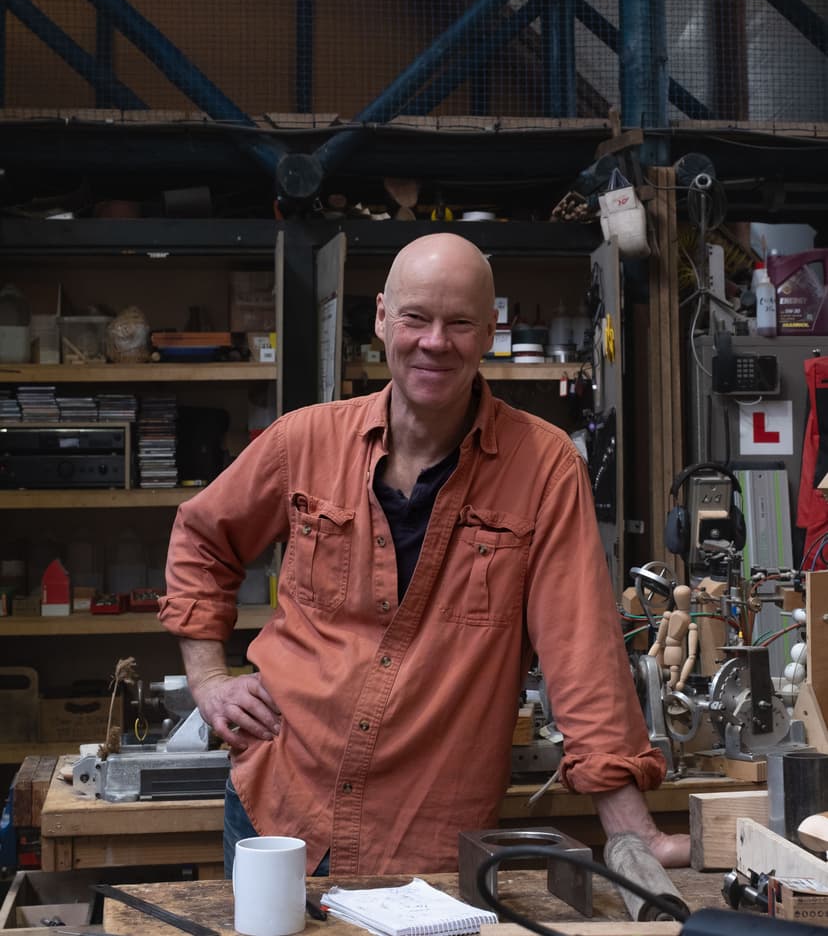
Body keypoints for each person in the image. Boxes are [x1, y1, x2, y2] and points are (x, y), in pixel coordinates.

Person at [158, 232, 690, 877]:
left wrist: (634, 834)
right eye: (416, 317)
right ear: (383, 317)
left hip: (428, 832)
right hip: (280, 804)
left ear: (491, 330)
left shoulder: (543, 467)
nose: (435, 342)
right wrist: (209, 679)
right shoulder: (303, 442)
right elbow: (202, 538)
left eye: (460, 322)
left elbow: (580, 651)